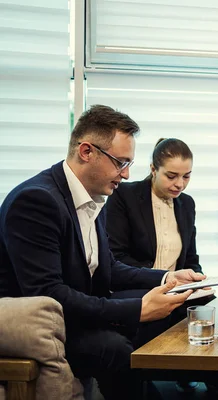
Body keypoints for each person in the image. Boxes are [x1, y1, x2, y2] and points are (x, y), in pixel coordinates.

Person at [0, 105, 205, 400]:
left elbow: (108, 267)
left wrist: (167, 278)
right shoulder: (36, 201)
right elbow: (48, 294)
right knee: (116, 349)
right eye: (121, 162)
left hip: (71, 313)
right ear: (86, 152)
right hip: (39, 328)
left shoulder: (94, 196)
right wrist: (136, 310)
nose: (127, 173)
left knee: (162, 317)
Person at [105, 138, 202, 274]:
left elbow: (190, 261)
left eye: (186, 176)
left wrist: (198, 280)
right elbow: (116, 256)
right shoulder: (124, 196)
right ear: (153, 169)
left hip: (175, 289)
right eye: (171, 176)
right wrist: (162, 278)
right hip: (135, 286)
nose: (180, 184)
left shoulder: (187, 204)